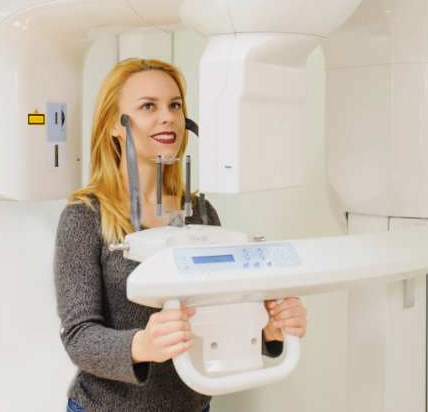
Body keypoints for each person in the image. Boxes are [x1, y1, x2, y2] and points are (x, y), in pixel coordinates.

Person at [54, 58, 308, 412]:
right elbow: (79, 337)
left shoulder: (201, 214)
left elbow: (225, 311)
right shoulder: (85, 217)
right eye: (148, 106)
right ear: (114, 124)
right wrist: (142, 345)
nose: (168, 117)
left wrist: (268, 329)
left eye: (175, 105)